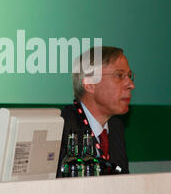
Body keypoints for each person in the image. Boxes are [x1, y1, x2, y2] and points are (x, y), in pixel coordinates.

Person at [57, 46, 135, 176]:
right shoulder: (63, 128)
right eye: (119, 75)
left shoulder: (115, 127)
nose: (131, 85)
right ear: (89, 84)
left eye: (129, 76)